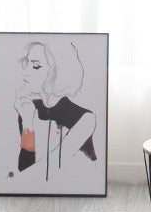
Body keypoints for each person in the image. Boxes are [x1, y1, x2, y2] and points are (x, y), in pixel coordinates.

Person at [14, 41, 97, 174]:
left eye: (36, 66)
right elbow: (24, 170)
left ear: (58, 72)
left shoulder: (86, 118)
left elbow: (51, 170)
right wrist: (27, 122)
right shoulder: (28, 110)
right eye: (27, 64)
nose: (25, 73)